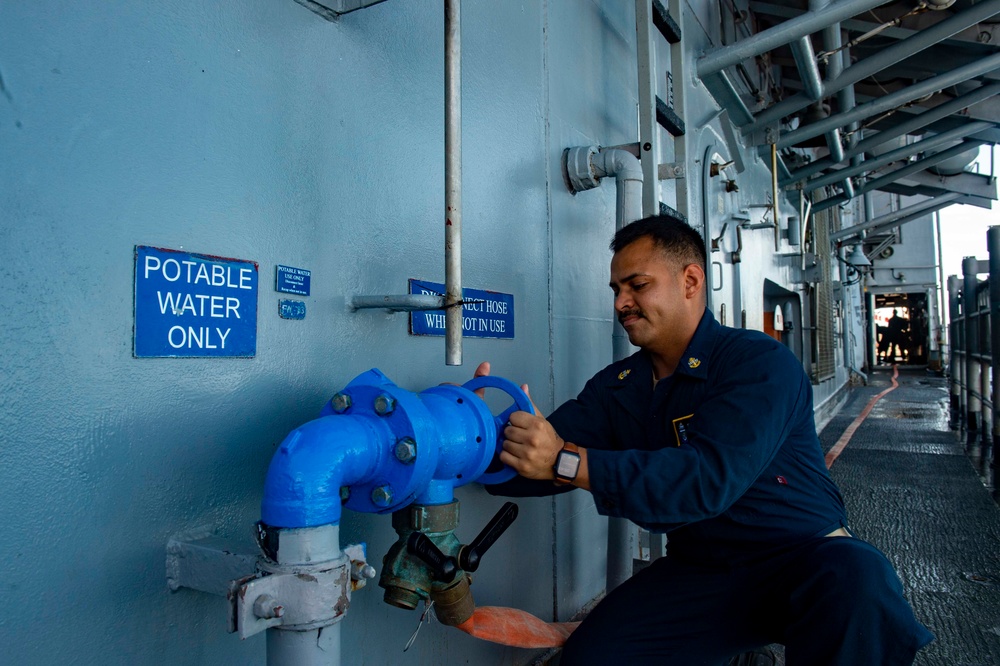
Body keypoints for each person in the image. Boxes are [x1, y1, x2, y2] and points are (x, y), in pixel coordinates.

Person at [480, 215, 933, 665]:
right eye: (616, 290)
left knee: (861, 582)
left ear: (691, 281)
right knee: (593, 659)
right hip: (705, 568)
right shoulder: (618, 387)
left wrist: (564, 462)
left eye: (637, 285)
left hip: (802, 557)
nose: (622, 303)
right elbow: (534, 461)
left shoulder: (757, 363)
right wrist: (480, 436)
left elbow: (705, 481)